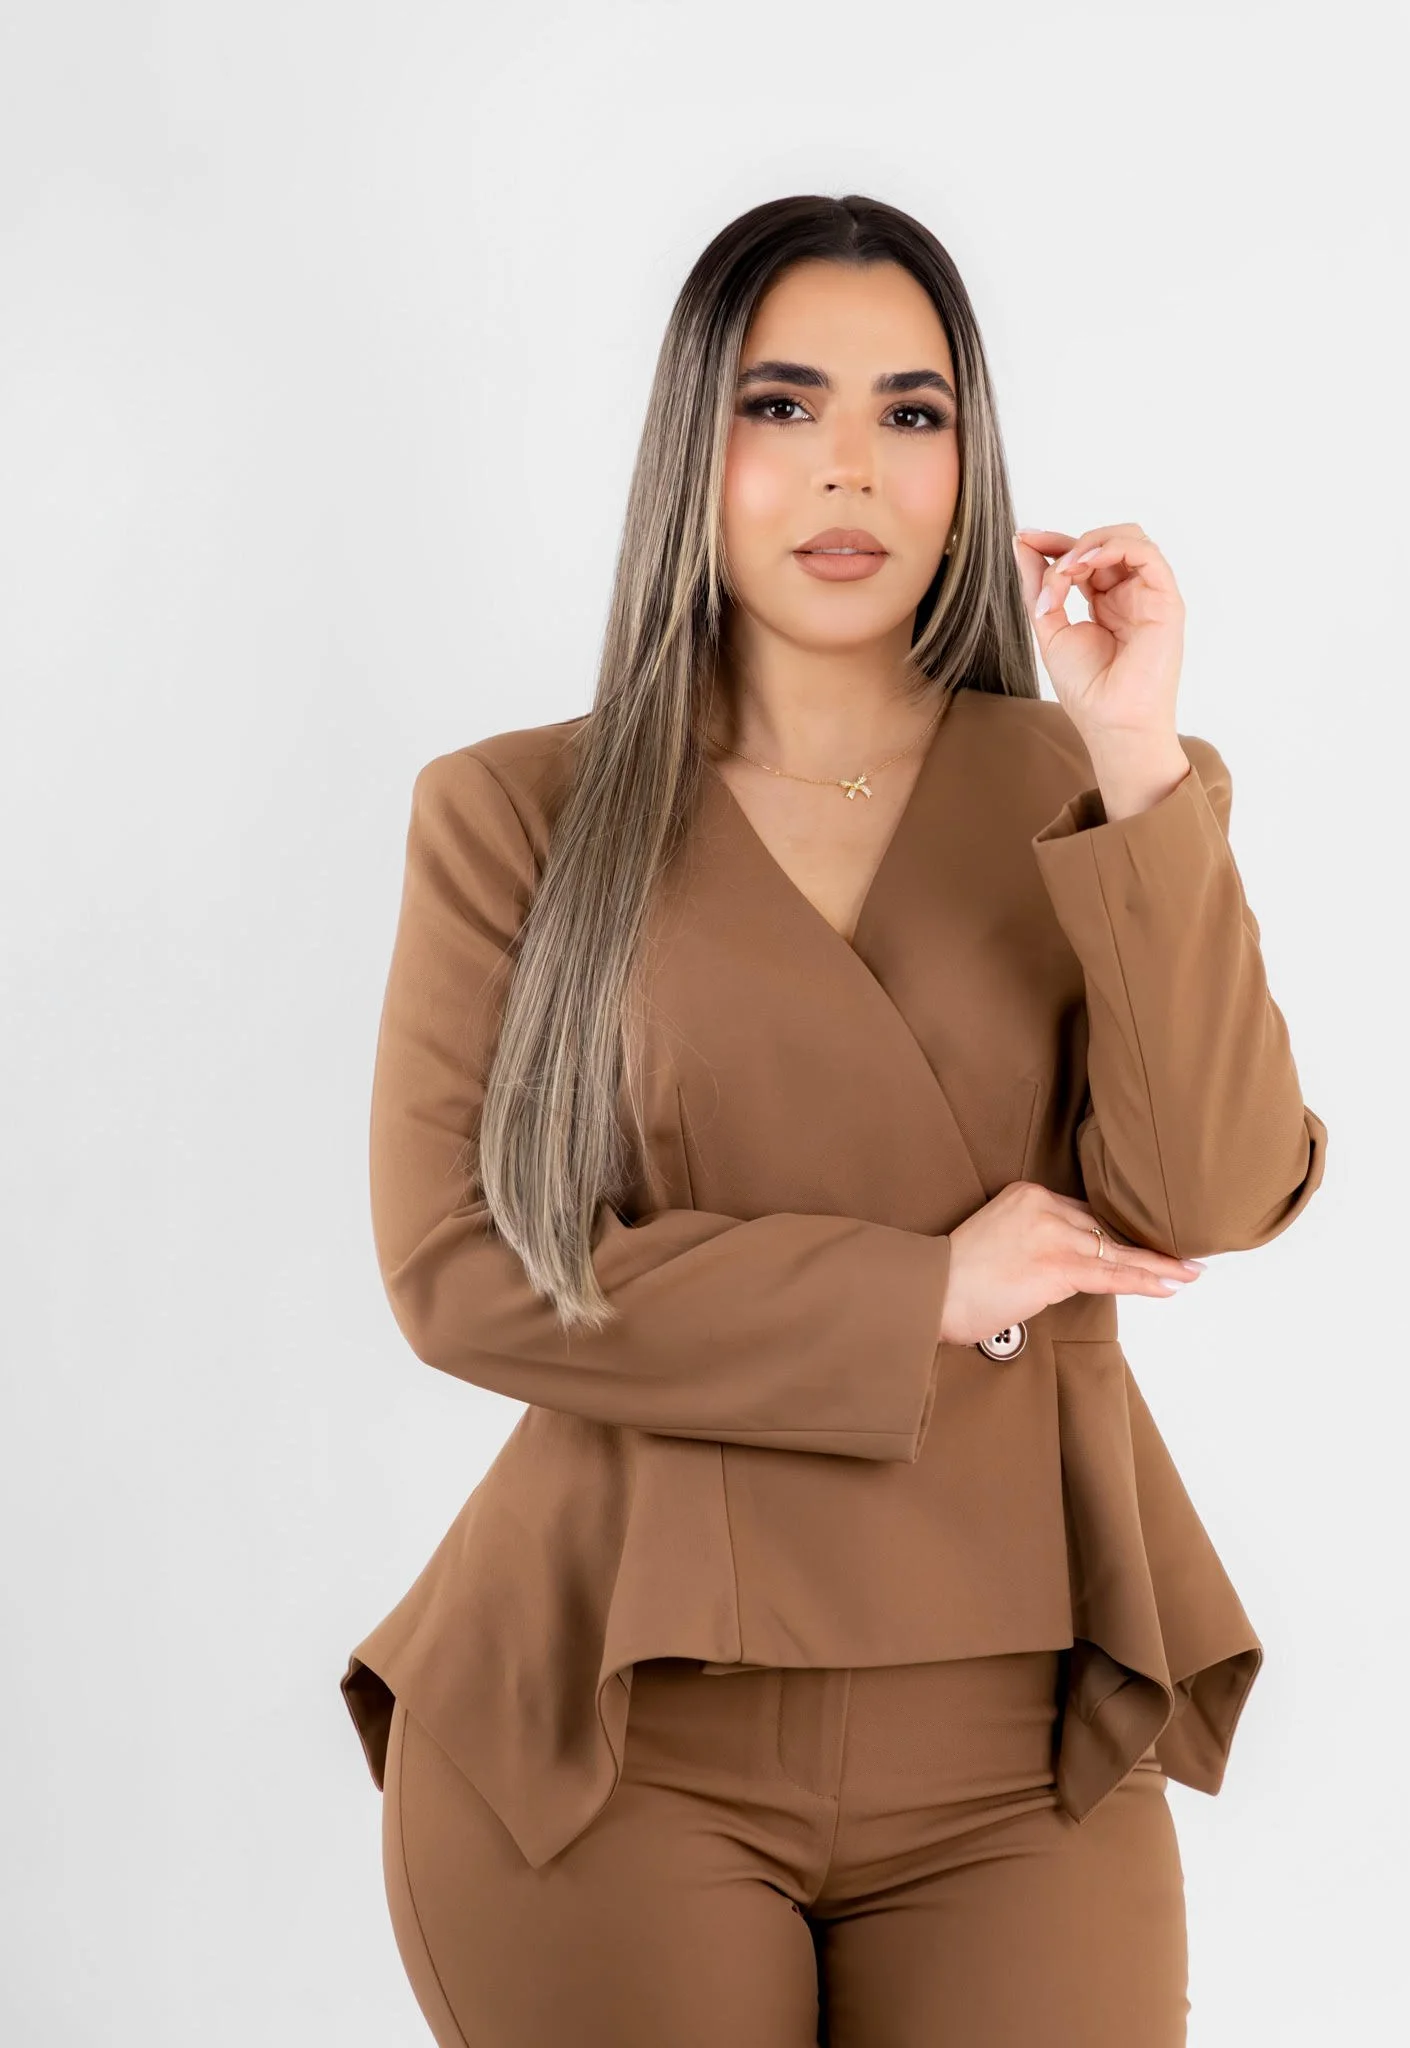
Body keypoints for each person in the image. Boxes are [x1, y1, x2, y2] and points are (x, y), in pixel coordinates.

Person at [339, 192, 1327, 2047]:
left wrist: (1132, 750)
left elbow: (1205, 1192)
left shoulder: (1096, 791)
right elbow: (458, 1272)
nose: (847, 467)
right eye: (780, 405)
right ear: (690, 447)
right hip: (609, 1724)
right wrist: (916, 1293)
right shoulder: (516, 813)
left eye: (910, 411)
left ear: (970, 463)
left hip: (1020, 1738)